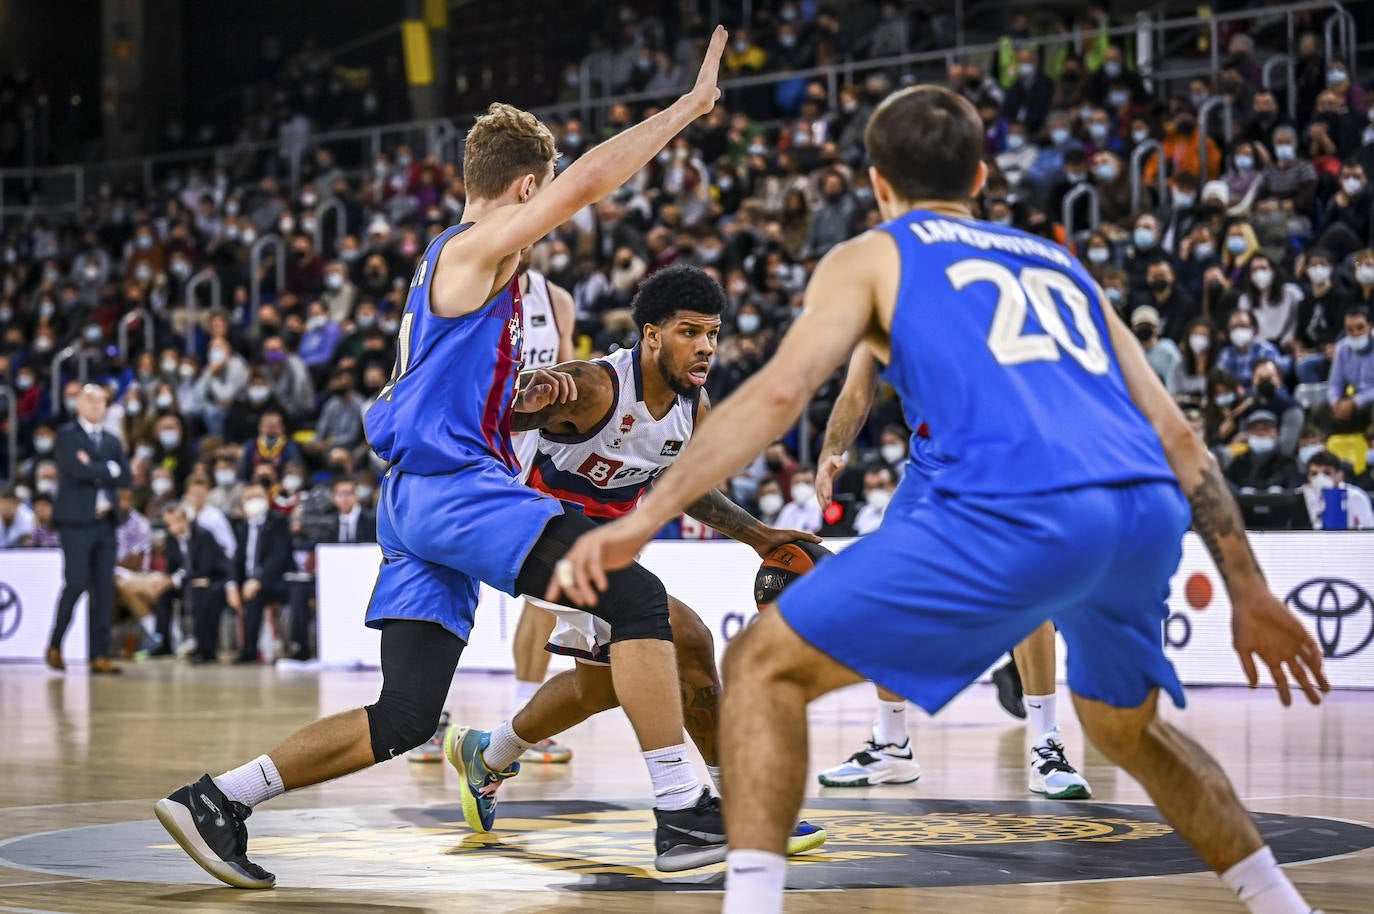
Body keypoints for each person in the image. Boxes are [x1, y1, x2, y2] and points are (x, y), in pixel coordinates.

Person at [548, 86, 1327, 914]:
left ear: (878, 185)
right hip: (1140, 510)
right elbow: (1179, 437)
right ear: (983, 175)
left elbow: (777, 399)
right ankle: (1283, 904)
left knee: (761, 668)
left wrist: (641, 516)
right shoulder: (1063, 267)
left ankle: (751, 902)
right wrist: (1248, 589)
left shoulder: (875, 253)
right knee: (1125, 729)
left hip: (1019, 505)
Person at [155, 30, 738, 888]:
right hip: (455, 489)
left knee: (404, 714)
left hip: (415, 501)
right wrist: (686, 109)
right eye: (541, 202)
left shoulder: (452, 270)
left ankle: (219, 800)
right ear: (524, 189)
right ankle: (684, 811)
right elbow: (589, 181)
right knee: (636, 596)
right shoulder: (474, 250)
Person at [447, 267, 823, 863]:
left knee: (600, 688)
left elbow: (686, 483)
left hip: (611, 549)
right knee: (693, 641)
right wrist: (530, 397)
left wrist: (758, 535)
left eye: (712, 333)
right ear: (651, 335)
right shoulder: (596, 386)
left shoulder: (691, 403)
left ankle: (487, 752)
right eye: (689, 332)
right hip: (547, 540)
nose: (705, 346)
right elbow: (504, 408)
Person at [811, 349, 1090, 798]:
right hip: (930, 463)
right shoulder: (882, 300)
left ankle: (1046, 743)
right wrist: (833, 448)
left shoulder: (974, 288)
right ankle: (892, 745)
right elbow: (858, 386)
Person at [497, 244, 579, 766]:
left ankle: (522, 722)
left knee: (543, 598)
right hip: (478, 461)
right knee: (453, 594)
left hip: (536, 467)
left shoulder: (556, 299)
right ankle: (433, 722)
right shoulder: (473, 291)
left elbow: (572, 383)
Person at [47, 384, 131, 674]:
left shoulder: (111, 440)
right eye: (91, 400)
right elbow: (76, 470)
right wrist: (106, 469)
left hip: (105, 522)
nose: (97, 406)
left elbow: (126, 476)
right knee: (76, 582)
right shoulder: (67, 436)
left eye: (102, 401)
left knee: (104, 589)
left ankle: (100, 653)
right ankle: (56, 643)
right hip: (76, 523)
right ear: (79, 404)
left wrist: (98, 467)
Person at [226, 484, 293, 665]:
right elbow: (236, 559)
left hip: (275, 580)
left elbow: (278, 557)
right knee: (212, 593)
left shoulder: (278, 522)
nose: (253, 501)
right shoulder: (242, 527)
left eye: (258, 496)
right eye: (249, 497)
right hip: (248, 582)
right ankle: (208, 649)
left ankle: (250, 650)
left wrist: (258, 580)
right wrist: (232, 584)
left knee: (255, 596)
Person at [161, 505, 235, 664]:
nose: (173, 527)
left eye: (175, 522)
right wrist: (166, 581)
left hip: (214, 579)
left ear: (184, 519)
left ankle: (205, 649)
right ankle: (164, 644)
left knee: (203, 594)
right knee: (163, 594)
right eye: (169, 524)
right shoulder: (171, 540)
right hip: (187, 581)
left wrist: (176, 579)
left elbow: (205, 568)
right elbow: (172, 568)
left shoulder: (203, 535)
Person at [1317, 305, 1374, 434]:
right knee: (1320, 412)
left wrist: (1355, 401)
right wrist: (1336, 403)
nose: (1355, 333)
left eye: (1360, 328)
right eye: (1350, 329)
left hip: (1369, 400)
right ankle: (1329, 451)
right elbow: (1334, 384)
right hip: (1349, 399)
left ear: (1370, 327)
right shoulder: (1342, 348)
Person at [1300, 450, 1374, 529]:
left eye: (1327, 473)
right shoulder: (1301, 496)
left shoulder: (1356, 496)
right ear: (1308, 477)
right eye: (1314, 474)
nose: (1319, 478)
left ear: (1340, 476)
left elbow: (1368, 530)